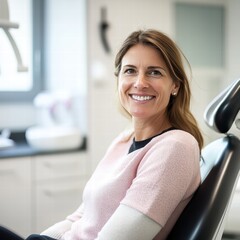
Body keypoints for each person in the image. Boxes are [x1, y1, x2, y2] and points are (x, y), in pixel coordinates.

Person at [0, 29, 203, 240]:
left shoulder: (176, 146)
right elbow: (79, 217)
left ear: (175, 86)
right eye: (130, 70)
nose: (140, 82)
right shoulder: (123, 141)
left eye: (154, 72)